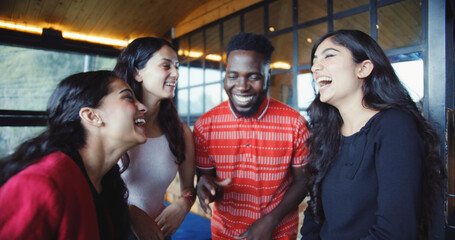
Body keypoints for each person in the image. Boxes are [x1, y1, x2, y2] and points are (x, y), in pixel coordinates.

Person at [300, 29, 445, 239]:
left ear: (364, 68)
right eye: (314, 60)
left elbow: (395, 232)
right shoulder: (327, 135)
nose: (314, 67)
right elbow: (315, 217)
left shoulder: (395, 126)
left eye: (329, 55)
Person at [0, 70, 148, 239]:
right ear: (92, 116)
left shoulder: (105, 184)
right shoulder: (42, 183)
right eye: (128, 97)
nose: (144, 107)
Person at [194, 32, 310, 240]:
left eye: (253, 76)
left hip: (280, 233)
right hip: (225, 234)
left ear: (268, 74)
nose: (241, 86)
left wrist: (271, 220)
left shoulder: (295, 123)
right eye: (233, 75)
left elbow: (303, 181)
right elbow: (205, 177)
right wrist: (204, 186)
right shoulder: (204, 126)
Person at [114, 37, 196, 240]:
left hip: (159, 233)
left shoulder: (180, 132)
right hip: (114, 229)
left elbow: (188, 189)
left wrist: (184, 203)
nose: (176, 74)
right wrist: (130, 213)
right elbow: (89, 187)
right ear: (136, 72)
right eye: (166, 66)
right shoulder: (113, 125)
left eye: (177, 67)